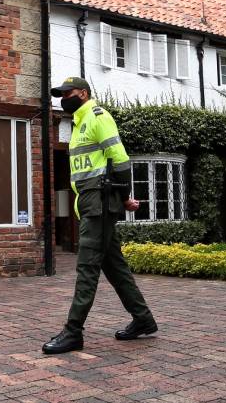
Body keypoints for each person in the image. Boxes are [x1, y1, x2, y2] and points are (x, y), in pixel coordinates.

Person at [42, 76, 157, 354]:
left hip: (100, 203)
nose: (62, 97)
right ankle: (143, 319)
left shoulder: (98, 116)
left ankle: (73, 332)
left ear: (82, 93)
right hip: (91, 202)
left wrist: (124, 196)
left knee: (87, 267)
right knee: (113, 267)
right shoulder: (77, 123)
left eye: (67, 93)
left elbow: (120, 159)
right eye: (60, 94)